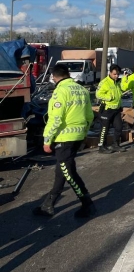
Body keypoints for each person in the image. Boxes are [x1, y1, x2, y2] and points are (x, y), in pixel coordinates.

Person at [33, 64, 96, 218]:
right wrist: (83, 132)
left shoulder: (60, 92)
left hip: (64, 138)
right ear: (68, 74)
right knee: (62, 171)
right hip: (78, 136)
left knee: (68, 173)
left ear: (54, 77)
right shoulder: (82, 90)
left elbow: (55, 118)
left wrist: (47, 140)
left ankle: (87, 204)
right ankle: (48, 204)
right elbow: (90, 115)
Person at [96, 64, 126, 153]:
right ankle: (101, 146)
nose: (116, 76)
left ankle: (115, 144)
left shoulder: (117, 82)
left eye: (117, 74)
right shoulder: (104, 82)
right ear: (110, 73)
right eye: (114, 74)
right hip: (107, 109)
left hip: (116, 109)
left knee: (119, 127)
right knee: (105, 128)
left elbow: (118, 95)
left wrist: (120, 105)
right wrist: (108, 97)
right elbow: (98, 94)